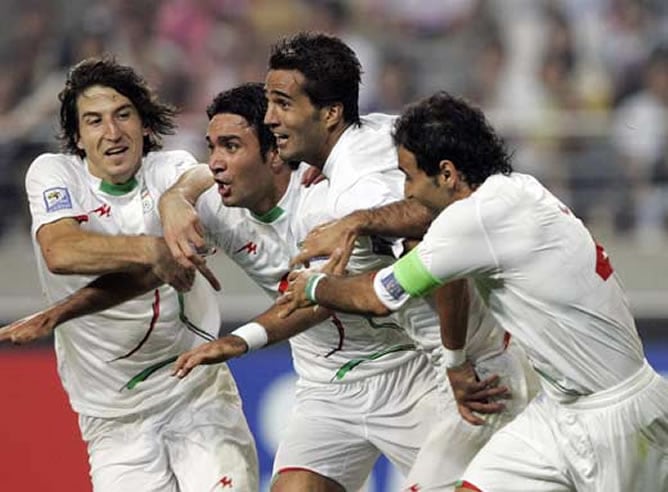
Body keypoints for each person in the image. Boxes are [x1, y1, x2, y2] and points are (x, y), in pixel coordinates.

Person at [167, 33, 536, 491]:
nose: (271, 119)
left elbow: (438, 242)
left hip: (441, 373)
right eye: (269, 104)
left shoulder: (350, 189)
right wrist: (175, 197)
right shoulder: (364, 142)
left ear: (330, 113)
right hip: (333, 390)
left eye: (282, 104)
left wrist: (456, 357)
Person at [279, 90, 668, 492]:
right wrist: (454, 359)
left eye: (409, 176)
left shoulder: (473, 219)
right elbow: (441, 267)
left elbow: (378, 296)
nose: (406, 191)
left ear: (447, 174)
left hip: (620, 420)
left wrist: (316, 286)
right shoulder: (515, 190)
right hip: (558, 412)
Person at [0, 57, 258, 492]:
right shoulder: (53, 174)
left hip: (195, 394)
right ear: (78, 137)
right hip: (113, 420)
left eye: (123, 115)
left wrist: (177, 197)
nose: (112, 133)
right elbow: (61, 250)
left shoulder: (165, 171)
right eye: (95, 121)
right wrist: (154, 250)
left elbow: (198, 173)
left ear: (144, 125)